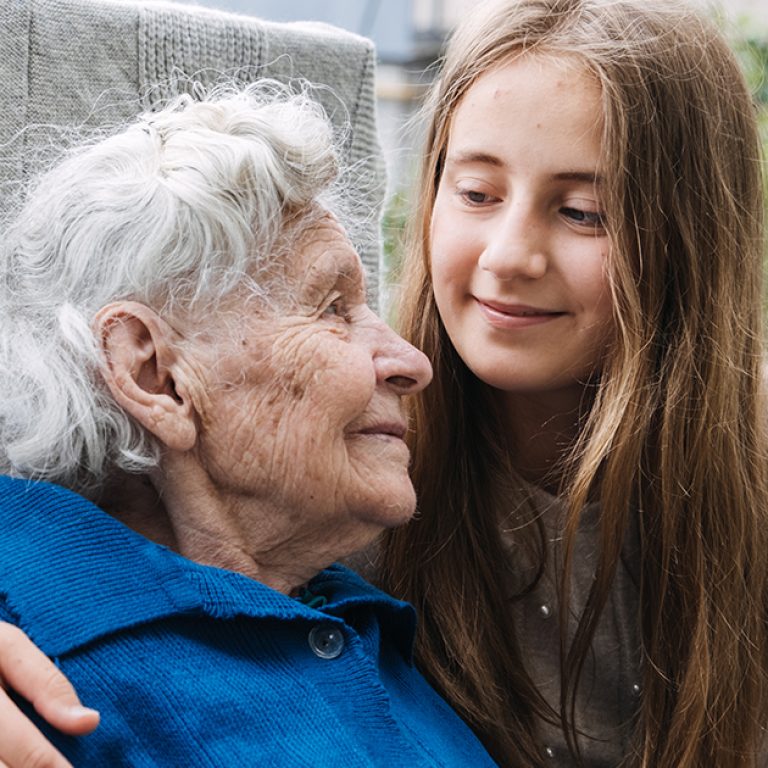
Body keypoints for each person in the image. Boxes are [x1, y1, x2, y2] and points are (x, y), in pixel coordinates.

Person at [1, 0, 767, 766]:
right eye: (476, 193)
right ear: (155, 372)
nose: (507, 257)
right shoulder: (342, 486)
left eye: (582, 211)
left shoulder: (342, 509)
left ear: (689, 240)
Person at [0, 83, 502, 767]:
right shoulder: (34, 644)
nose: (412, 363)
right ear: (155, 374)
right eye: (331, 308)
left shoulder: (372, 612)